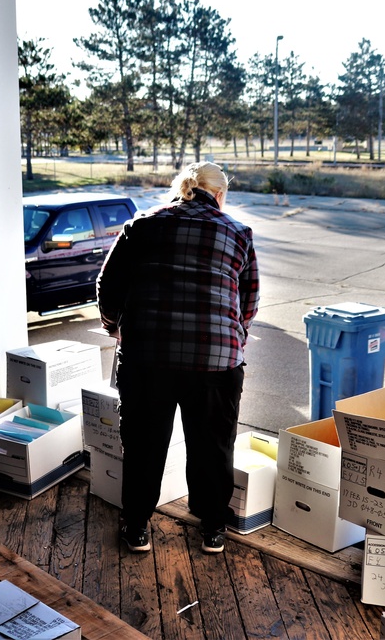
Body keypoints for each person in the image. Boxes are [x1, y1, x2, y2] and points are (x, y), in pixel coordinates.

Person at [96, 161, 260, 555]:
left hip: (147, 357)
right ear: (219, 194)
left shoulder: (142, 224)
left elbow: (108, 284)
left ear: (181, 187)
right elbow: (248, 298)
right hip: (216, 361)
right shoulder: (238, 232)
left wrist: (114, 327)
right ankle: (213, 527)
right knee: (213, 445)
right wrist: (234, 335)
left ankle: (136, 526)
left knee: (143, 443)